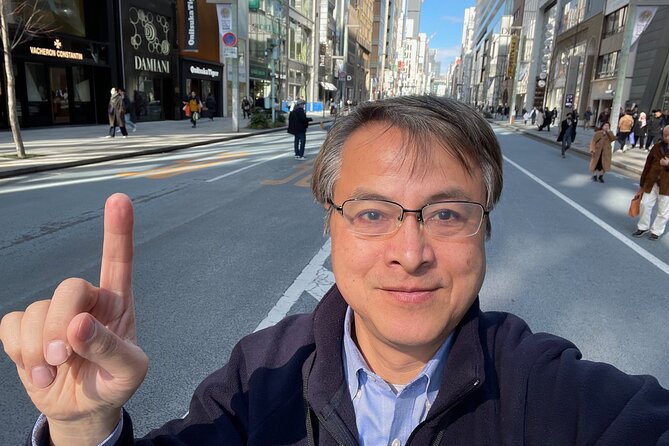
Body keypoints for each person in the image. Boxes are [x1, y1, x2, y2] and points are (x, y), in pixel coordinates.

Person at [2, 96, 669, 446]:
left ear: (485, 229)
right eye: (373, 213)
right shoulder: (258, 377)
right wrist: (84, 427)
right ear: (330, 223)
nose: (409, 253)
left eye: (445, 214)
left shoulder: (558, 398)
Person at [632, 125, 669, 240]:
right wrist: (642, 184)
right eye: (665, 135)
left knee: (663, 211)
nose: (667, 137)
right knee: (645, 204)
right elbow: (647, 165)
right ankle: (643, 227)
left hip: (667, 185)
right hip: (651, 181)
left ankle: (656, 231)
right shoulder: (656, 147)